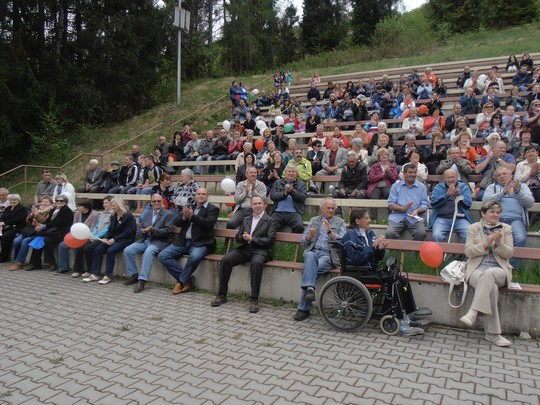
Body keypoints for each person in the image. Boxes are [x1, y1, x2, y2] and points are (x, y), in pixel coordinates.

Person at [341, 209, 426, 335]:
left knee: (402, 279)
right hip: (358, 272)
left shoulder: (369, 234)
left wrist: (380, 249)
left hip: (370, 270)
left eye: (369, 217)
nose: (370, 220)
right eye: (366, 218)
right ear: (357, 221)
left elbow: (377, 257)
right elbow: (355, 259)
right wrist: (372, 247)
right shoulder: (350, 236)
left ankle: (407, 315)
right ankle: (399, 320)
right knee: (394, 282)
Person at [211, 196, 278, 313]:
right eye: (255, 204)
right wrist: (241, 237)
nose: (257, 206)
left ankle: (254, 299)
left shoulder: (270, 220)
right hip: (246, 248)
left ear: (264, 205)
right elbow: (238, 237)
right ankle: (222, 295)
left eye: (259, 204)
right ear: (251, 206)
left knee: (256, 263)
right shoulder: (246, 219)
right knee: (226, 260)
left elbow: (270, 241)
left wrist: (252, 239)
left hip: (261, 250)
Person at [461, 201, 514, 347]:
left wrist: (498, 244)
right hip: (476, 270)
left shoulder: (506, 228)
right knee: (492, 288)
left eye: (498, 212)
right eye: (492, 212)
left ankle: (473, 312)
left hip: (499, 270)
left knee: (489, 274)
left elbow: (509, 253)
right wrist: (486, 243)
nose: (495, 215)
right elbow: (468, 251)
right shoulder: (474, 228)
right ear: (483, 213)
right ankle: (493, 334)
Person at [293, 198, 346, 321]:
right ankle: (309, 291)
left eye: (333, 208)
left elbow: (343, 241)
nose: (331, 210)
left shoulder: (340, 222)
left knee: (310, 270)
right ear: (322, 209)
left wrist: (330, 232)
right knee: (310, 256)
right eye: (328, 208)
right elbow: (302, 242)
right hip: (312, 252)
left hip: (327, 255)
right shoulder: (314, 220)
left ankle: (303, 309)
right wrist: (309, 236)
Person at [158, 188, 219, 295]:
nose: (201, 196)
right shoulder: (190, 206)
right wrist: (184, 217)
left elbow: (208, 223)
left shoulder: (212, 209)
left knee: (194, 257)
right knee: (163, 255)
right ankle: (187, 279)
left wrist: (192, 216)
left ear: (207, 196)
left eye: (203, 194)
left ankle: (181, 282)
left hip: (201, 242)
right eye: (199, 194)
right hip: (183, 241)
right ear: (195, 195)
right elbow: (177, 222)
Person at [483, 167, 534, 268]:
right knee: (491, 238)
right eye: (499, 175)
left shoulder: (521, 186)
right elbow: (485, 201)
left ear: (511, 175)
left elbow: (530, 203)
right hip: (496, 219)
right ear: (496, 178)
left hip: (516, 220)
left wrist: (518, 192)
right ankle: (493, 265)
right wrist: (503, 193)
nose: (502, 176)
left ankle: (512, 268)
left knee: (520, 238)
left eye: (504, 174)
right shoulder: (492, 187)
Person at [122, 194, 174, 293]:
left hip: (159, 241)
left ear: (162, 202)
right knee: (128, 250)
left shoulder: (168, 214)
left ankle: (142, 280)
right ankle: (134, 275)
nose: (157, 203)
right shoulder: (147, 214)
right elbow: (140, 228)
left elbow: (168, 231)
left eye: (159, 201)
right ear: (151, 203)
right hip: (145, 240)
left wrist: (153, 230)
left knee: (148, 252)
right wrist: (142, 230)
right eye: (154, 201)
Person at [84, 198, 136, 284]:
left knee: (111, 251)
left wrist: (115, 239)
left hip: (125, 239)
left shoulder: (128, 216)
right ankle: (95, 273)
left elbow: (129, 232)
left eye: (113, 205)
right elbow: (110, 229)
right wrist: (106, 237)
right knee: (98, 249)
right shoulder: (113, 216)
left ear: (119, 206)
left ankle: (108, 275)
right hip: (113, 239)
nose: (112, 207)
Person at [27, 193, 74, 271]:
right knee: (39, 237)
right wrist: (41, 225)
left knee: (45, 239)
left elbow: (58, 223)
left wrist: (43, 226)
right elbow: (48, 221)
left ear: (65, 202)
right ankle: (36, 263)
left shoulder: (66, 210)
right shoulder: (54, 209)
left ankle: (49, 263)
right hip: (52, 232)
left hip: (61, 233)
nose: (58, 202)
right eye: (57, 200)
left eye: (61, 201)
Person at [70, 195, 113, 278]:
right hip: (94, 236)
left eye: (107, 203)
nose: (104, 205)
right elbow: (96, 226)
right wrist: (92, 235)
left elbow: (106, 228)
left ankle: (89, 270)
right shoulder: (103, 214)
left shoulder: (111, 215)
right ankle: (77, 270)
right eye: (104, 203)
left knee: (88, 248)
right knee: (80, 247)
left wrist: (95, 236)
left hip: (102, 237)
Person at [9, 196, 54, 271]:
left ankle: (19, 263)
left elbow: (44, 222)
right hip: (29, 231)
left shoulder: (50, 211)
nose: (44, 203)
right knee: (16, 241)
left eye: (46, 202)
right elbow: (27, 222)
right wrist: (30, 215)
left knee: (25, 241)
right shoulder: (38, 210)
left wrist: (36, 214)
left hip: (40, 233)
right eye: (43, 201)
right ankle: (15, 260)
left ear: (51, 203)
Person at [385, 164, 428, 241]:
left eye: (415, 172)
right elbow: (391, 204)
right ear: (404, 173)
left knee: (421, 233)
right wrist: (402, 208)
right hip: (397, 217)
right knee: (390, 233)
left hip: (415, 218)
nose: (413, 175)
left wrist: (417, 211)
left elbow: (425, 204)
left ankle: (414, 252)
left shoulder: (421, 187)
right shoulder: (396, 186)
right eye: (410, 172)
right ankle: (397, 252)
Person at [55, 199, 99, 274]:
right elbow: (74, 225)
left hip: (86, 236)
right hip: (76, 235)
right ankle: (63, 267)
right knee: (62, 245)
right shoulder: (78, 213)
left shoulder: (94, 215)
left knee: (76, 247)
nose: (77, 207)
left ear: (85, 207)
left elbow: (92, 228)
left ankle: (78, 269)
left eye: (79, 206)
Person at [429, 169, 473, 242]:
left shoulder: (464, 187)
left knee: (469, 234)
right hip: (441, 218)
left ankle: (459, 253)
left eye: (453, 177)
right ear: (444, 178)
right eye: (448, 177)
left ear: (457, 177)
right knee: (437, 235)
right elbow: (433, 203)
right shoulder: (438, 187)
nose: (451, 180)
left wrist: (458, 196)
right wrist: (447, 195)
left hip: (460, 218)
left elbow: (468, 205)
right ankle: (440, 253)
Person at [268, 165, 307, 233]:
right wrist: (284, 194)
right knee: (270, 225)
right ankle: (271, 242)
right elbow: (272, 196)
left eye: (293, 172)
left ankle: (293, 243)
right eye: (289, 171)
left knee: (299, 226)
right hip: (278, 212)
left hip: (294, 212)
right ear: (285, 173)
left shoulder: (302, 184)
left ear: (297, 174)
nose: (291, 173)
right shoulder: (278, 182)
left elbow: (302, 198)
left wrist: (292, 192)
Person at [0, 194, 27, 262]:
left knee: (5, 236)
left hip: (17, 227)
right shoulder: (8, 208)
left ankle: (4, 257)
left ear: (18, 200)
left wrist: (5, 223)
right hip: (7, 227)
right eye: (11, 200)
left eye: (14, 200)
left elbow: (18, 219)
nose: (12, 201)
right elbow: (3, 217)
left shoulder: (21, 208)